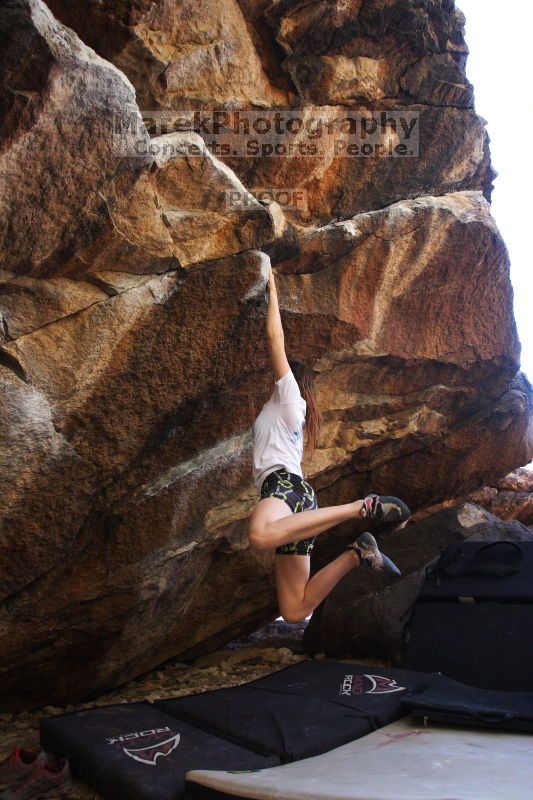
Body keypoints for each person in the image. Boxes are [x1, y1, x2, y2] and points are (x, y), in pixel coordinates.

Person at [248, 266, 411, 623]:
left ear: (294, 378)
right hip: (298, 497)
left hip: (284, 489)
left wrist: (272, 288)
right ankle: (356, 554)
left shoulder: (289, 396)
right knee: (294, 610)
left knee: (260, 536)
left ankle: (360, 508)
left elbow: (275, 340)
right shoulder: (289, 412)